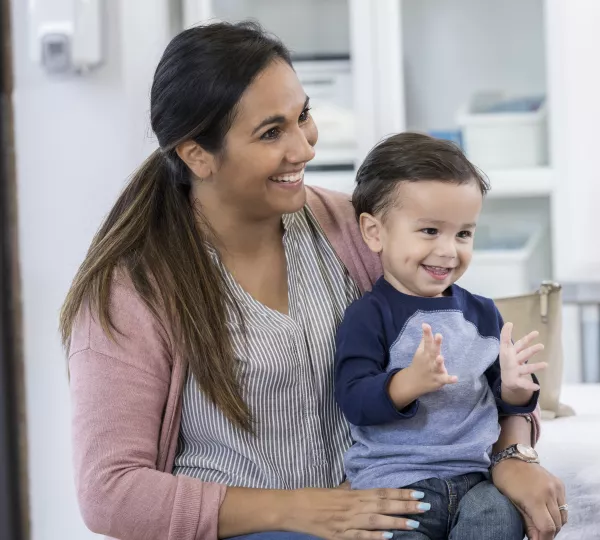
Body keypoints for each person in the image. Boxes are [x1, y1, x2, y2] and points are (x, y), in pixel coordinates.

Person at [61, 21, 565, 540]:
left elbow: (472, 368)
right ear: (197, 154)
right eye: (271, 132)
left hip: (386, 521)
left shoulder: (353, 229)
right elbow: (111, 492)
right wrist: (293, 509)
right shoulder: (132, 292)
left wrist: (513, 453)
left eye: (303, 116)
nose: (304, 148)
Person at [333, 133, 551, 540]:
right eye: (430, 231)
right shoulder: (368, 315)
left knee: (501, 518)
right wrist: (406, 384)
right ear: (374, 232)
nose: (450, 251)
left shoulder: (482, 312)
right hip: (396, 486)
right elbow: (353, 399)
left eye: (464, 234)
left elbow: (501, 399)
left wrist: (519, 389)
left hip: (475, 479)